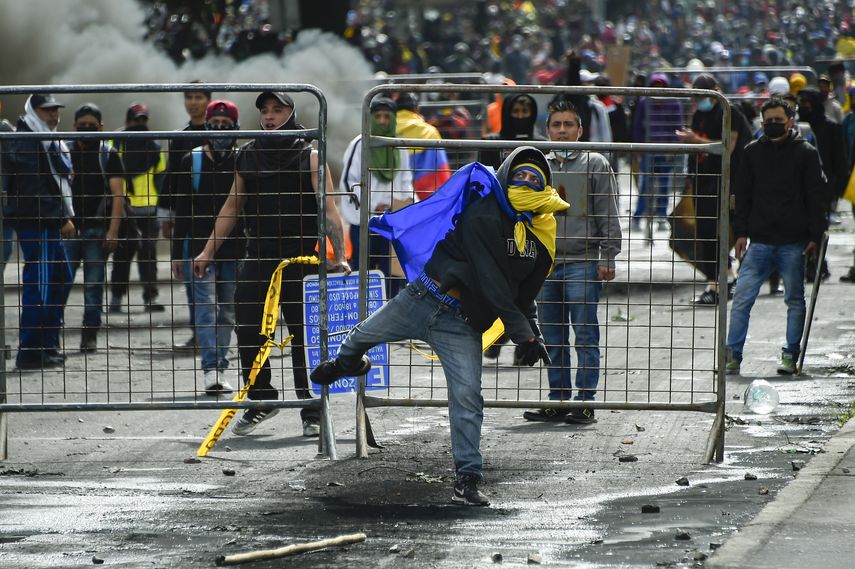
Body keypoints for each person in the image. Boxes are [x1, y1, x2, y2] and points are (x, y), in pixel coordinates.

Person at [311, 147, 570, 506]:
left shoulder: (542, 237)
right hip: (421, 299)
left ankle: (468, 478)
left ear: (546, 188)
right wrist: (521, 333)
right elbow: (492, 280)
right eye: (519, 176)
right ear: (506, 176)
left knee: (467, 397)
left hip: (461, 325)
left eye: (535, 180)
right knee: (360, 338)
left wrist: (533, 332)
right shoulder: (484, 212)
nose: (525, 183)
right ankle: (345, 365)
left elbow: (525, 293)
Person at [193, 91, 349, 437]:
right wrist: (207, 252)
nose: (269, 116)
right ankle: (261, 400)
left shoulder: (310, 155)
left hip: (300, 257)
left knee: (304, 334)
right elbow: (232, 208)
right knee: (248, 327)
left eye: (277, 110)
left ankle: (311, 408)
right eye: (264, 110)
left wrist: (339, 256)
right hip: (258, 255)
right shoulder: (248, 155)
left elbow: (329, 209)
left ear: (291, 113)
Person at [524, 100, 621, 425]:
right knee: (551, 336)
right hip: (545, 264)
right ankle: (558, 399)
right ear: (547, 130)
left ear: (580, 131)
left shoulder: (595, 163)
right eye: (556, 125)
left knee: (585, 333)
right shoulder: (537, 166)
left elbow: (609, 212)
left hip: (582, 260)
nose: (562, 130)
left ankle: (586, 400)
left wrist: (608, 255)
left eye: (568, 125)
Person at [725, 97, 827, 376]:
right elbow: (742, 195)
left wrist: (815, 236)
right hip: (759, 241)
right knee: (742, 299)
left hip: (794, 243)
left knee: (795, 300)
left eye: (777, 121)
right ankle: (732, 353)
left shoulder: (806, 153)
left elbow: (816, 197)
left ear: (790, 121)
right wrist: (740, 232)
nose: (771, 125)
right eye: (767, 121)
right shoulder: (752, 152)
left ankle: (790, 354)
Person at [172, 100, 245, 395]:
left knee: (228, 311)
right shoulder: (192, 161)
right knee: (204, 310)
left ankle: (221, 364)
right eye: (214, 124)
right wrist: (178, 253)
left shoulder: (243, 159)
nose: (219, 130)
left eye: (226, 125)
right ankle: (211, 370)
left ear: (236, 129)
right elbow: (181, 211)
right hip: (198, 250)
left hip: (235, 249)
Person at [1, 94, 75, 369]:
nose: (54, 115)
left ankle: (47, 344)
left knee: (61, 278)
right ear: (34, 111)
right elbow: (34, 192)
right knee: (40, 286)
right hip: (39, 223)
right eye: (47, 110)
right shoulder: (28, 140)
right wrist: (60, 219)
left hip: (48, 223)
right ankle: (31, 351)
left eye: (55, 110)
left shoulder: (47, 139)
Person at [675, 73, 753, 305]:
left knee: (728, 230)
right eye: (697, 96)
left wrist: (694, 140)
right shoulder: (699, 114)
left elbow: (728, 146)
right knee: (706, 232)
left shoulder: (729, 112)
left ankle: (730, 280)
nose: (700, 100)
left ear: (716, 89)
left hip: (728, 180)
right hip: (702, 181)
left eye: (703, 95)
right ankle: (718, 282)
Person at [64, 103, 126, 352]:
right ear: (74, 126)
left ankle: (89, 335)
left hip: (96, 231)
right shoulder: (64, 152)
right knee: (59, 284)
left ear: (101, 127)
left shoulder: (108, 154)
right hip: (67, 230)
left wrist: (113, 231)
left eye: (92, 126)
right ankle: (50, 337)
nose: (87, 130)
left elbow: (118, 196)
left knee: (93, 286)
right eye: (82, 126)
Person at [162, 82, 212, 350]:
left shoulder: (219, 133)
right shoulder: (180, 138)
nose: (193, 102)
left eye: (199, 97)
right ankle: (198, 334)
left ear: (208, 100)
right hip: (188, 221)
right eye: (189, 97)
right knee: (193, 282)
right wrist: (166, 216)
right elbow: (171, 179)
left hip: (217, 221)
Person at [339, 97, 412, 277]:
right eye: (377, 116)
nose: (381, 121)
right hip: (365, 221)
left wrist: (401, 206)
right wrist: (372, 206)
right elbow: (349, 182)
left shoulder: (399, 147)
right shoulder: (359, 144)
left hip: (392, 221)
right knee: (364, 270)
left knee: (393, 273)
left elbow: (406, 181)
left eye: (386, 117)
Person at [109, 103, 167, 313]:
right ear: (128, 121)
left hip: (150, 210)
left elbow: (161, 178)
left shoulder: (155, 145)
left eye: (143, 120)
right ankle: (116, 299)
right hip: (125, 209)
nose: (139, 124)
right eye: (136, 120)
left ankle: (150, 298)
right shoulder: (115, 141)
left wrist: (163, 208)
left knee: (149, 256)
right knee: (122, 256)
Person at [395, 92, 451, 200]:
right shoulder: (430, 131)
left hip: (394, 193)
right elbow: (441, 170)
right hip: (425, 195)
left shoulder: (386, 131)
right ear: (416, 109)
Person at [479, 93, 540, 170]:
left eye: (525, 111)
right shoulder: (489, 143)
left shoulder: (542, 144)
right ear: (507, 113)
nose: (520, 116)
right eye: (515, 111)